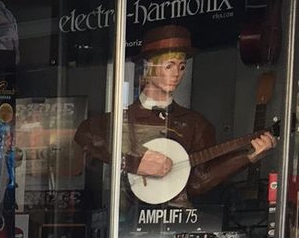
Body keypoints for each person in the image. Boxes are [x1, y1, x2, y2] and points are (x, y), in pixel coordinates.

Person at [75, 23, 276, 202]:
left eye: (181, 67)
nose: (176, 74)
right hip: (125, 216)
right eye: (168, 65)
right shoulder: (122, 120)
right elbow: (85, 135)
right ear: (148, 67)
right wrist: (135, 163)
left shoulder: (196, 124)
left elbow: (198, 183)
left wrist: (246, 157)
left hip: (176, 219)